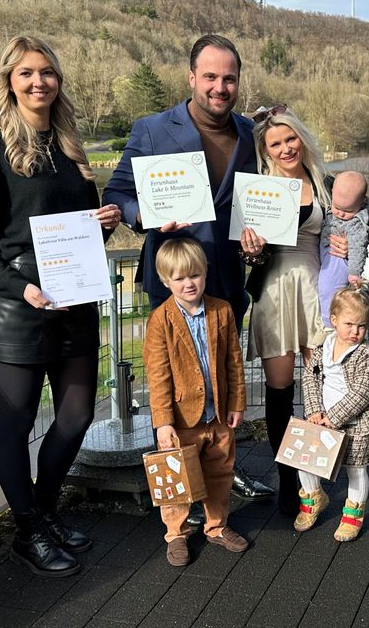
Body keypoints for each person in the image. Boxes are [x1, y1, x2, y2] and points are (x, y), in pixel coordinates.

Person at [0, 36, 123, 577]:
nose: (38, 82)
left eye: (47, 72)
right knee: (17, 421)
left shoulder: (71, 144)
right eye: (26, 73)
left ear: (58, 81)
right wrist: (19, 286)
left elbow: (77, 233)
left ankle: (44, 513)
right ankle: (27, 529)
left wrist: (104, 224)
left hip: (73, 305)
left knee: (75, 417)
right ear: (10, 80)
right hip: (19, 310)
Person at [102, 33, 271, 504]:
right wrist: (146, 217)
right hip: (173, 282)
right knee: (173, 389)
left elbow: (256, 203)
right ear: (192, 77)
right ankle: (181, 499)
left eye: (229, 78)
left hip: (226, 283)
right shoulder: (153, 128)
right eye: (211, 76)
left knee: (221, 386)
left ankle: (222, 481)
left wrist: (258, 237)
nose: (220, 87)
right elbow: (115, 195)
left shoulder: (247, 134)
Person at [238, 105, 331, 516]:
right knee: (280, 393)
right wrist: (251, 253)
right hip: (275, 292)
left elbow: (339, 231)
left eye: (289, 139)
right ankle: (288, 478)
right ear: (266, 150)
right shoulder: (260, 188)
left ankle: (314, 480)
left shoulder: (321, 182)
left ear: (301, 138)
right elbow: (249, 256)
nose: (285, 147)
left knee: (317, 390)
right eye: (275, 143)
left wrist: (343, 243)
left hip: (315, 290)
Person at [144, 238, 250, 566]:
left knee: (220, 470)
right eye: (179, 278)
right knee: (176, 478)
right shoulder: (160, 320)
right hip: (180, 418)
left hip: (217, 414)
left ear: (205, 273)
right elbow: (158, 375)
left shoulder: (221, 310)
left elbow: (234, 360)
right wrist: (162, 422)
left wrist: (236, 403)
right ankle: (176, 532)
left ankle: (216, 526)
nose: (188, 283)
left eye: (194, 275)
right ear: (165, 282)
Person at [294, 287, 369, 541]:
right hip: (321, 418)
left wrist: (334, 417)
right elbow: (310, 377)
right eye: (349, 324)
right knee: (305, 460)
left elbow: (363, 391)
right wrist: (313, 410)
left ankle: (353, 514)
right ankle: (314, 496)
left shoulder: (364, 354)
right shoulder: (323, 347)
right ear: (333, 320)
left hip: (355, 423)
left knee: (356, 468)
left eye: (362, 326)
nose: (355, 332)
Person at [318, 170, 369, 327]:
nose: (340, 213)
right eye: (337, 207)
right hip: (324, 256)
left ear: (361, 204)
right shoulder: (330, 203)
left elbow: (358, 248)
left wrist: (354, 273)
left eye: (347, 211)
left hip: (338, 262)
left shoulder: (357, 223)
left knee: (329, 289)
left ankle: (328, 322)